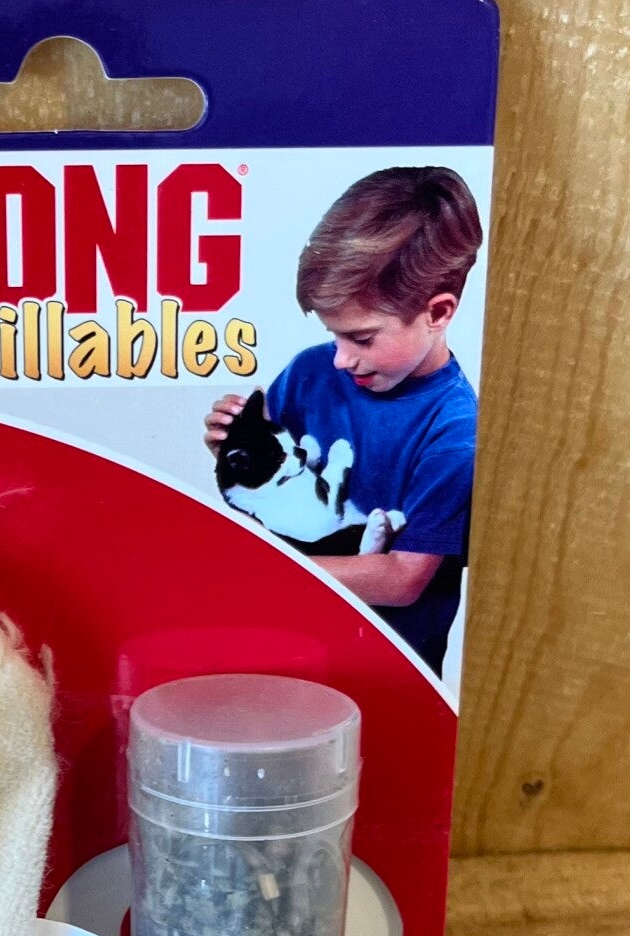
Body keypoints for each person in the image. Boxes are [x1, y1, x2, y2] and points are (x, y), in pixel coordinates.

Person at [206, 166, 482, 676]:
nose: (341, 358)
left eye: (362, 338)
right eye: (333, 335)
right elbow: (263, 491)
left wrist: (261, 572)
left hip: (385, 671)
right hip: (284, 643)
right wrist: (231, 448)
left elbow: (404, 579)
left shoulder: (456, 432)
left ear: (439, 312)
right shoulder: (310, 371)